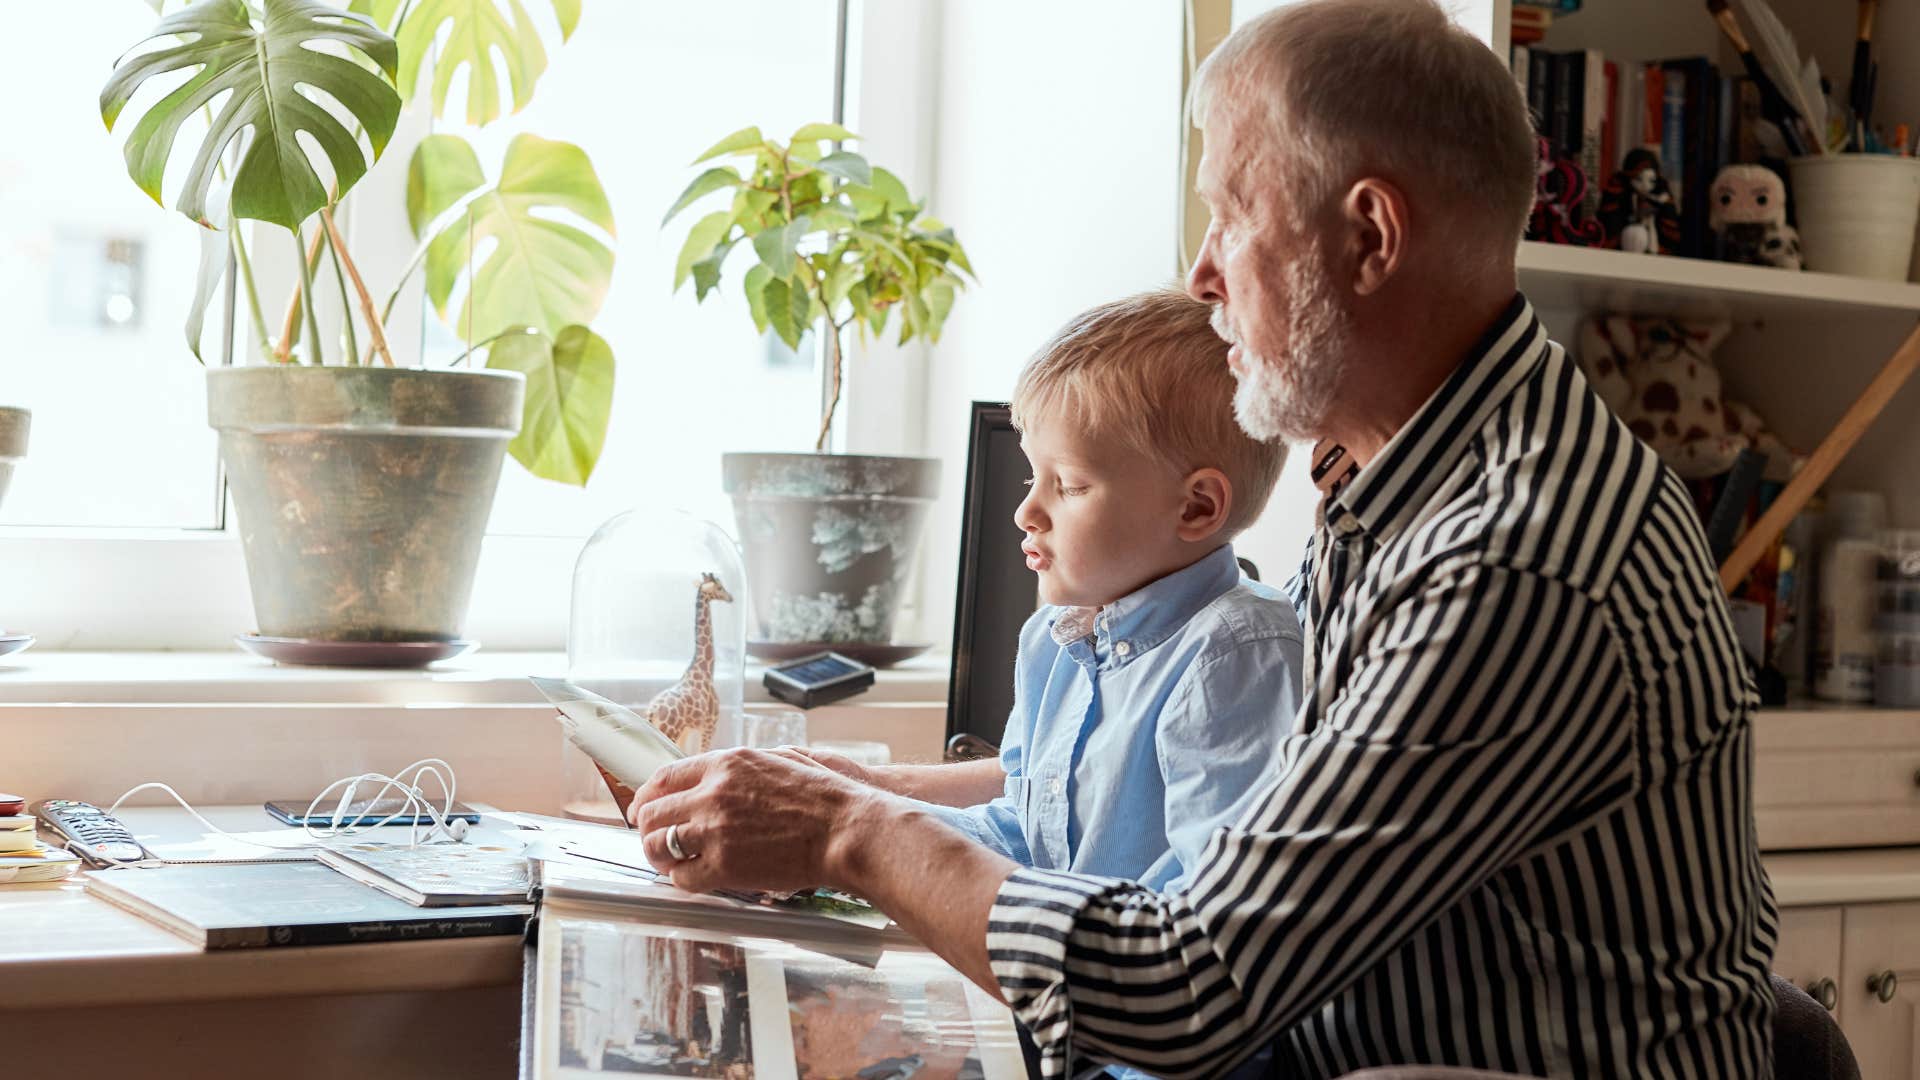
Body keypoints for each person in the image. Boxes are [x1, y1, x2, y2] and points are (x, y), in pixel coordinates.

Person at [632, 1, 1778, 1076]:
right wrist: (862, 803)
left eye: (1233, 215)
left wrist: (851, 832)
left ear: (1370, 236)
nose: (1201, 273)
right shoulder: (1402, 484)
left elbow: (1190, 982)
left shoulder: (1514, 559)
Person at [804, 289, 1301, 895]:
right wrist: (836, 835)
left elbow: (1204, 902)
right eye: (1028, 475)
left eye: (1066, 485)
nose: (1025, 511)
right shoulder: (1050, 642)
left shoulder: (1237, 653)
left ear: (1197, 507)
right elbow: (1021, 829)